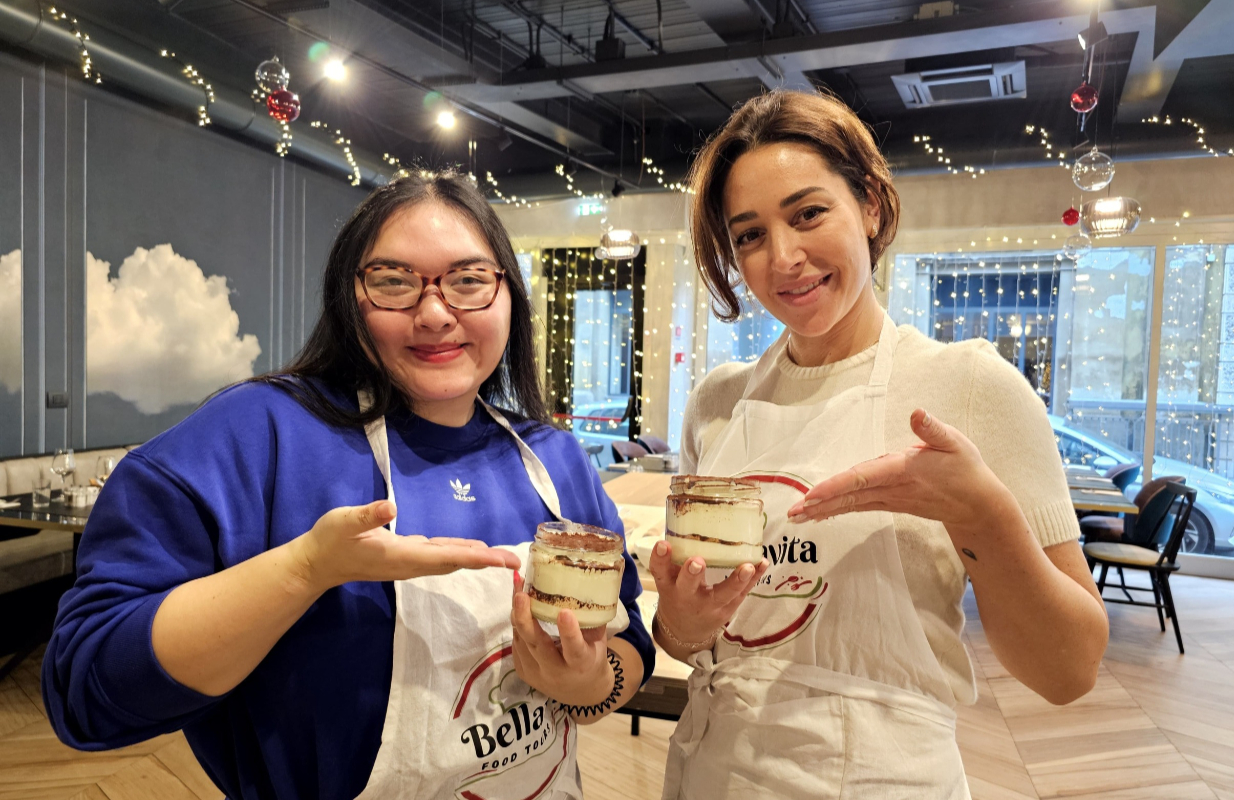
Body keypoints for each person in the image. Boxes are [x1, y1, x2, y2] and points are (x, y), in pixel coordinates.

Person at [43, 170, 655, 800]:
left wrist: (583, 684)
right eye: (394, 282)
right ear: (348, 297)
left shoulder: (556, 458)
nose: (436, 313)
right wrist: (305, 570)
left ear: (509, 297)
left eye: (469, 281)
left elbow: (626, 641)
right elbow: (88, 690)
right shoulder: (258, 436)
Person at [649, 91, 1109, 798]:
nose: (784, 258)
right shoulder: (719, 401)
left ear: (868, 204)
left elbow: (1069, 670)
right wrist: (678, 624)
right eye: (749, 236)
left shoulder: (969, 386)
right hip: (713, 770)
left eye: (808, 214)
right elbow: (691, 641)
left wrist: (982, 515)